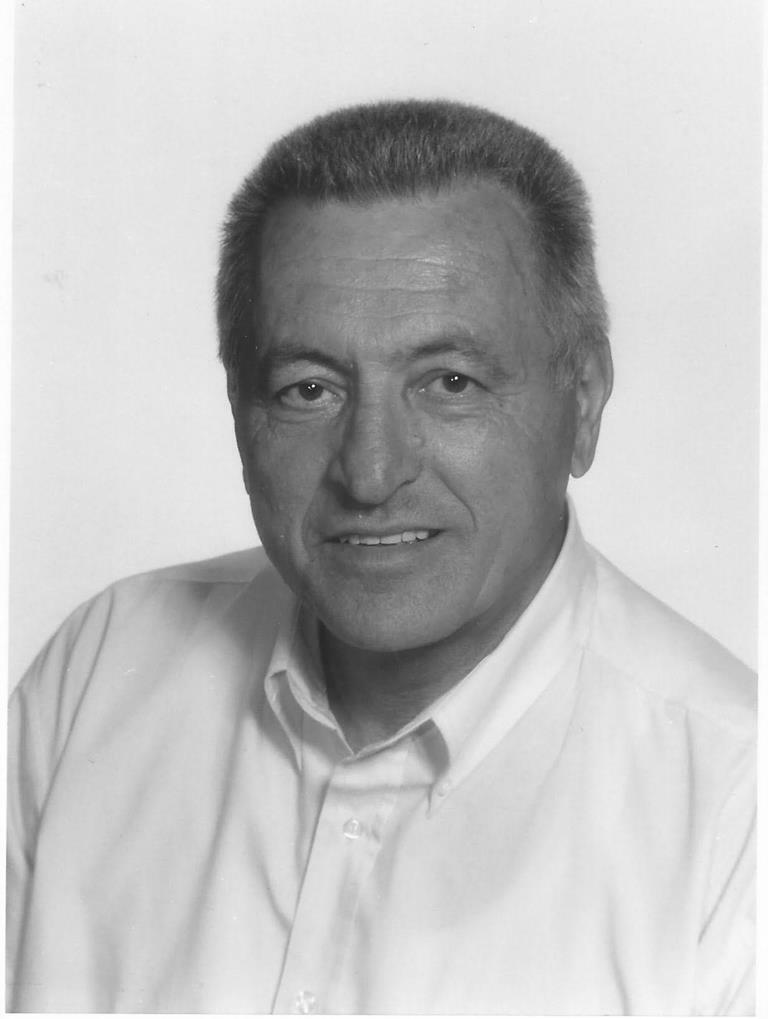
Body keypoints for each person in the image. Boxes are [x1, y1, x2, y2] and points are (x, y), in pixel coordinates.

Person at [7, 100, 755, 1014]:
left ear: (585, 400)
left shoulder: (733, 810)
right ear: (240, 411)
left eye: (450, 382)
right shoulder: (96, 678)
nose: (370, 472)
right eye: (309, 388)